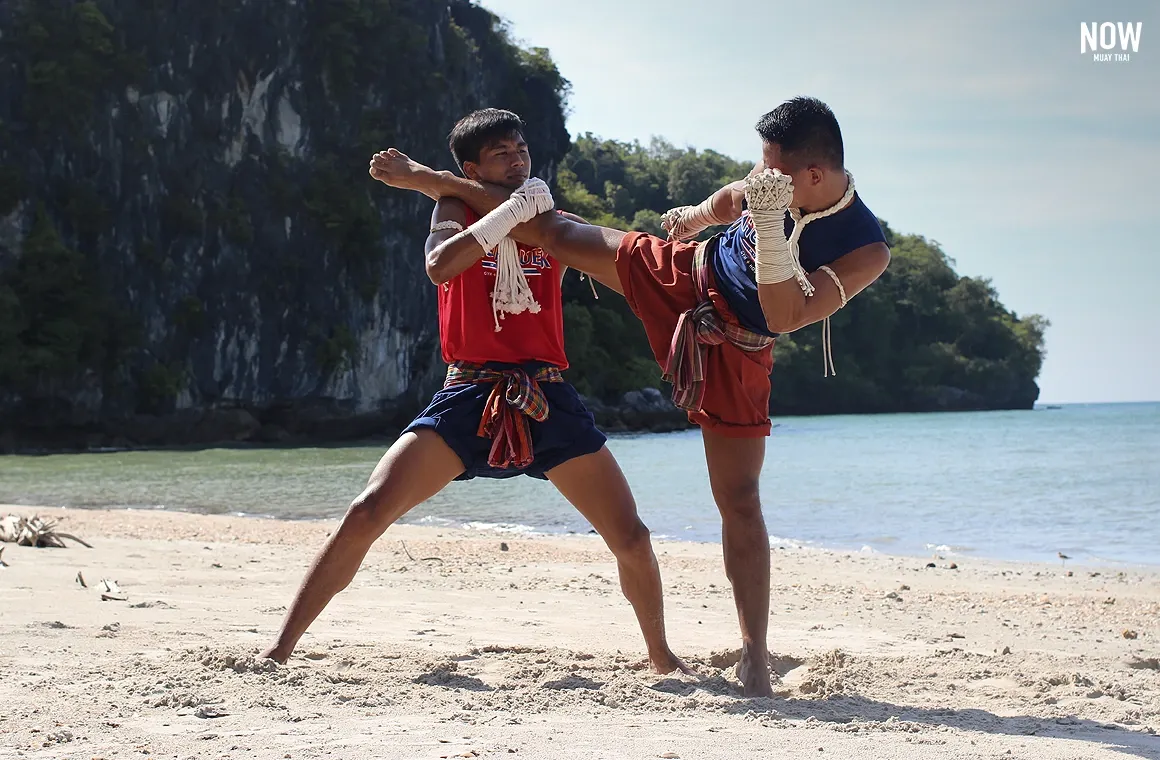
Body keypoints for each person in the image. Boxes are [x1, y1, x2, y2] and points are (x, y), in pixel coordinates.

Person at [369, 97, 891, 696]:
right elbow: (729, 200)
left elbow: (783, 312)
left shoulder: (863, 249)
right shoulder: (769, 179)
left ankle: (753, 651)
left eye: (771, 173)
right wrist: (695, 218)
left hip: (739, 345)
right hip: (684, 272)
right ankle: (429, 180)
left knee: (739, 499)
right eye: (760, 168)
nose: (759, 179)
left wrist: (770, 227)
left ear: (815, 177)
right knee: (555, 229)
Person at [263, 108, 687, 675]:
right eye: (501, 156)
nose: (518, 162)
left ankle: (661, 656)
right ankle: (280, 648)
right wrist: (494, 206)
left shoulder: (552, 221)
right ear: (471, 168)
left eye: (522, 152)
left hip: (546, 394)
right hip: (470, 391)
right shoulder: (455, 209)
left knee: (631, 537)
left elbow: (621, 266)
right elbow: (441, 266)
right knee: (366, 512)